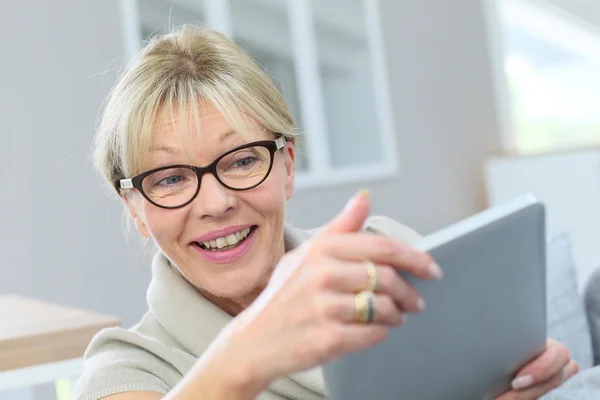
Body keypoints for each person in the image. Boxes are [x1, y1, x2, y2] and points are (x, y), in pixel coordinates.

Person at [74, 26, 579, 400]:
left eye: (243, 160)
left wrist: (520, 376)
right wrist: (258, 343)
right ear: (136, 210)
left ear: (287, 167)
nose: (216, 201)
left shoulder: (384, 256)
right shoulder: (126, 371)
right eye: (170, 179)